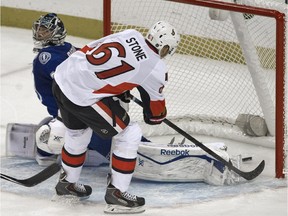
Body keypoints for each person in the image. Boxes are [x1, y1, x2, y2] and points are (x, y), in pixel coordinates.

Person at [52, 20, 180, 214]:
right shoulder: (157, 68)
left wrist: (119, 89)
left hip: (63, 77)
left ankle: (67, 184)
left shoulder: (130, 33)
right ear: (167, 47)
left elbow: (92, 51)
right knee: (130, 133)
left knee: (78, 133)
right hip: (82, 94)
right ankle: (117, 194)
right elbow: (154, 116)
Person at [31, 13, 112, 166]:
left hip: (77, 105)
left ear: (57, 32)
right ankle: (47, 151)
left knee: (111, 122)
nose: (39, 33)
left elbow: (86, 59)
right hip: (67, 110)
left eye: (45, 30)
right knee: (102, 135)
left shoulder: (65, 47)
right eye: (39, 29)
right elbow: (66, 81)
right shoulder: (46, 56)